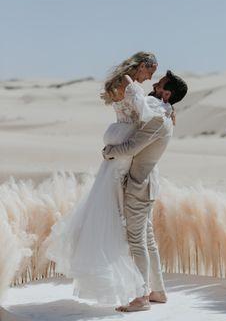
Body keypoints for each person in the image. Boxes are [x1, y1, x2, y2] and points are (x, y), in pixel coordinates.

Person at [45, 51, 164, 306]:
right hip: (125, 151)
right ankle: (140, 291)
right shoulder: (132, 87)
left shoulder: (120, 82)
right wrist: (164, 109)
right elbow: (145, 116)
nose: (149, 79)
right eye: (150, 72)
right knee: (127, 222)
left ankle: (147, 289)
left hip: (116, 145)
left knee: (120, 211)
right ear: (143, 66)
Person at [103, 70, 188, 312]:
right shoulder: (163, 114)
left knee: (136, 240)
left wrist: (108, 151)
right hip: (146, 184)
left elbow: (132, 147)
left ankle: (141, 298)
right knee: (147, 239)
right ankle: (158, 291)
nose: (154, 84)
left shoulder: (159, 119)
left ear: (167, 92)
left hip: (140, 185)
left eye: (159, 83)